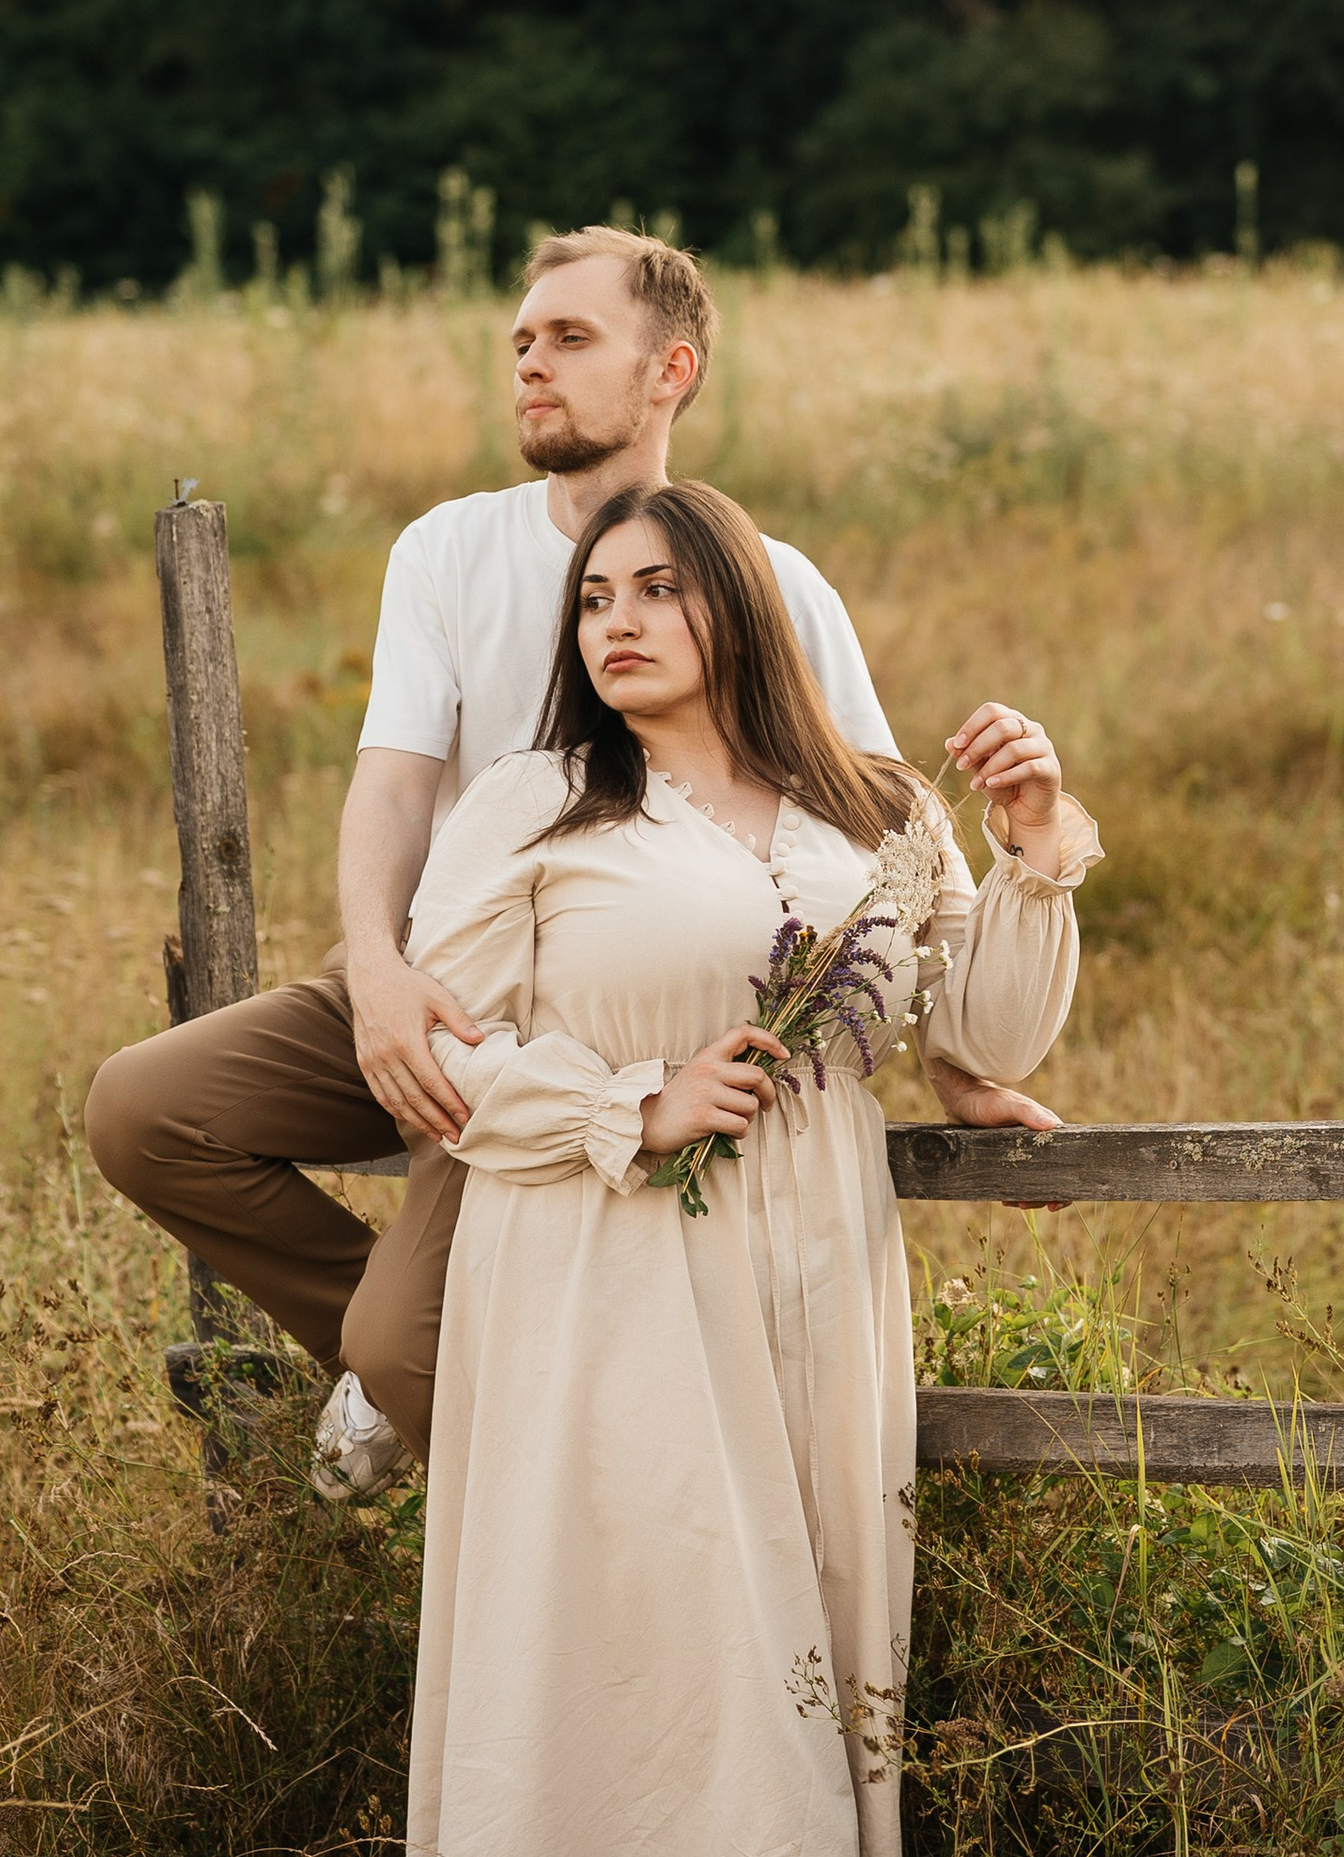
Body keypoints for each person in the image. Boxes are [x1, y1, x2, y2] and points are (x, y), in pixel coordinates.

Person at [84, 230, 1059, 1483]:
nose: (530, 364)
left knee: (409, 1345)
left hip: (630, 1008)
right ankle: (400, 1352)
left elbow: (883, 854)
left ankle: (464, 1395)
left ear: (670, 370)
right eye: (521, 342)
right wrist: (376, 972)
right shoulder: (448, 548)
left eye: (570, 338)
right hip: (449, 984)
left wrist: (957, 1065)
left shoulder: (774, 582)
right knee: (145, 1110)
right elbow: (393, 784)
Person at [397, 479, 1099, 1857]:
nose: (617, 623)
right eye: (594, 599)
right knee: (728, 1685)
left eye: (658, 589)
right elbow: (432, 1051)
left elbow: (987, 1035)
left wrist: (1035, 845)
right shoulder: (537, 805)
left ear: (742, 608)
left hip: (821, 1286)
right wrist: (627, 1105)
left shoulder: (871, 806)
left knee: (728, 1685)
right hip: (613, 1280)